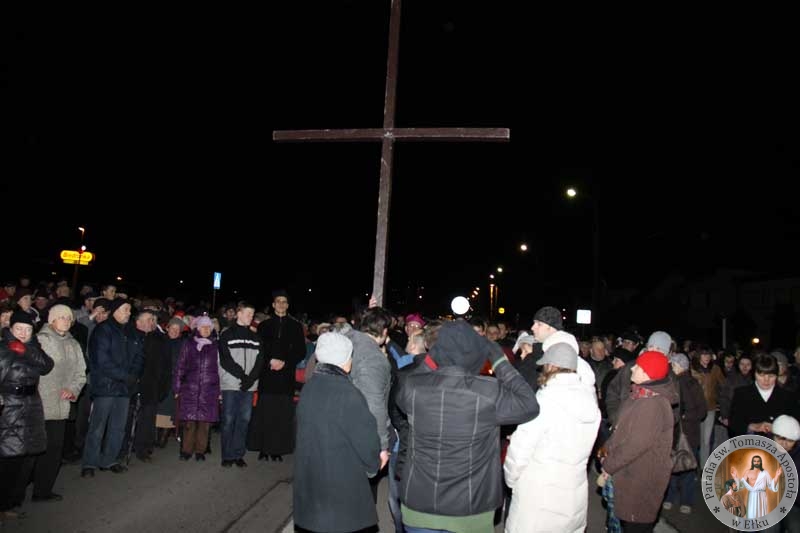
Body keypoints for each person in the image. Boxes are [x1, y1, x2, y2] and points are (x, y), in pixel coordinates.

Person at [395, 319, 539, 533]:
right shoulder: (488, 392)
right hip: (470, 507)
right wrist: (499, 359)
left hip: (419, 503)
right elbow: (529, 404)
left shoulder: (414, 388)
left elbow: (408, 385)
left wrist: (433, 356)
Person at [504, 342, 601, 532]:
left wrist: (511, 479)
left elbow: (520, 451)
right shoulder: (590, 404)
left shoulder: (544, 402)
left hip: (537, 496)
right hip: (572, 495)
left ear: (552, 366)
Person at [293, 332, 381, 533]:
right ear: (346, 361)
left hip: (312, 478)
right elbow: (366, 440)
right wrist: (374, 462)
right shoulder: (348, 393)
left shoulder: (310, 386)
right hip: (340, 483)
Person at [601, 351, 677, 532]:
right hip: (630, 475)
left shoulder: (652, 404)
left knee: (635, 526)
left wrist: (609, 465)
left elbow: (635, 445)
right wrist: (607, 448)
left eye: (638, 366)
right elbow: (621, 429)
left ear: (648, 373)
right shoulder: (639, 395)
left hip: (640, 480)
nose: (632, 368)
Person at [0, 311, 54, 520]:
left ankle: (13, 502)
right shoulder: (3, 348)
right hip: (9, 407)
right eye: (19, 329)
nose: (23, 333)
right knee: (8, 458)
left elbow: (46, 366)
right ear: (11, 329)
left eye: (28, 329)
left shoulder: (33, 347)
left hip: (31, 406)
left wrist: (25, 350)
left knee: (26, 458)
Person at [174, 315, 220, 461]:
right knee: (189, 422)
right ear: (198, 328)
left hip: (209, 390)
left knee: (204, 423)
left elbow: (220, 369)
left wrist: (219, 391)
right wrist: (177, 387)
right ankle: (186, 451)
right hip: (190, 389)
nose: (206, 329)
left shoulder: (216, 346)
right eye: (203, 327)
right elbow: (180, 366)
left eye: (208, 327)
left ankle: (200, 451)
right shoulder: (189, 344)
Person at [731, 455, 781, 519]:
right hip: (751, 497)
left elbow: (771, 485)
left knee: (761, 516)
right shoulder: (748, 472)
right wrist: (735, 477)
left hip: (761, 497)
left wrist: (777, 476)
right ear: (752, 462)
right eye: (755, 461)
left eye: (758, 461)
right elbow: (741, 485)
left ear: (760, 462)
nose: (756, 462)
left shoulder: (765, 473)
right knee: (751, 515)